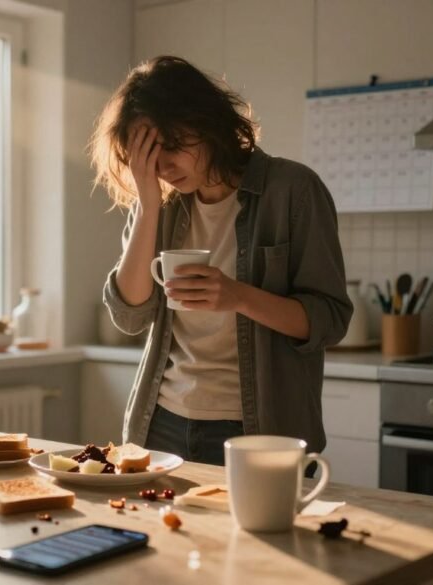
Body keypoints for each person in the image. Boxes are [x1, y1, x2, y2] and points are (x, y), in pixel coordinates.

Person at [92, 56, 352, 466]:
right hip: (161, 422)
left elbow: (330, 320)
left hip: (260, 430)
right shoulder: (160, 204)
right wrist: (145, 205)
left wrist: (237, 296)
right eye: (148, 156)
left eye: (172, 146)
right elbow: (129, 316)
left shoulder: (293, 191)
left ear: (207, 121)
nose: (163, 167)